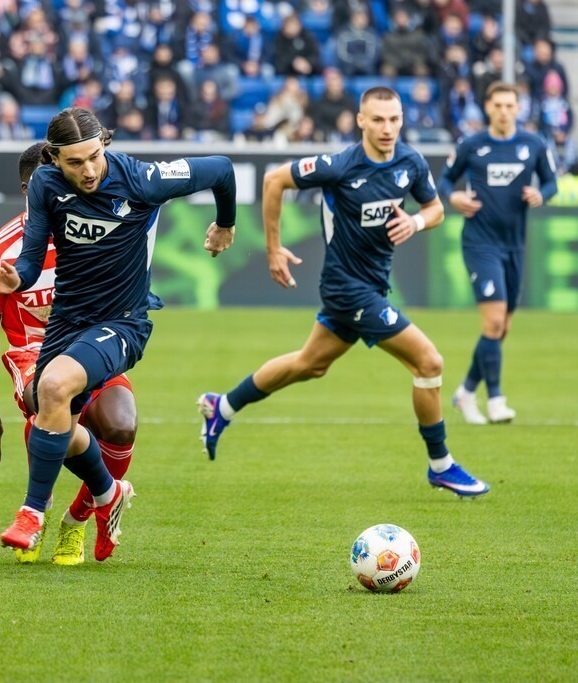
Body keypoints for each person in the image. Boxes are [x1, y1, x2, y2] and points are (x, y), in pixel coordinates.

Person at [198, 87, 490, 498]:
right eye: (378, 119)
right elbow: (274, 180)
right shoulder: (338, 166)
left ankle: (222, 406)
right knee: (429, 362)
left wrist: (415, 223)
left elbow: (436, 209)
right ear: (361, 121)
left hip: (372, 285)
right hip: (347, 289)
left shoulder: (411, 162)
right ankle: (441, 466)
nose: (387, 128)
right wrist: (273, 249)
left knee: (309, 364)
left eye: (394, 119)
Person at [0, 107, 236, 560]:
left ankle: (32, 514)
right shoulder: (44, 185)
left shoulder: (141, 179)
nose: (88, 170)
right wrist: (17, 278)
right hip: (67, 321)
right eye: (74, 162)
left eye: (94, 156)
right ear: (53, 159)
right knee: (56, 419)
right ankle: (108, 491)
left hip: (123, 321)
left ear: (105, 143)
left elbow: (221, 168)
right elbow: (31, 259)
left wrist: (225, 224)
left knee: (55, 387)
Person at [0, 143, 139, 566]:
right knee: (48, 404)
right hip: (33, 354)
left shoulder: (98, 229)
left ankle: (76, 520)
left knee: (121, 425)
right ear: (29, 189)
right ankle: (44, 510)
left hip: (92, 343)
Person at [439, 82, 558, 424]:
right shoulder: (471, 145)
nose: (504, 111)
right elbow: (444, 180)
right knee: (492, 322)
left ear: (518, 108)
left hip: (514, 245)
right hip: (480, 243)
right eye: (498, 105)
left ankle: (465, 392)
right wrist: (454, 197)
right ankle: (495, 400)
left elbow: (551, 182)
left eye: (510, 105)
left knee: (501, 327)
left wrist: (541, 194)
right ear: (488, 108)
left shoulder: (533, 144)